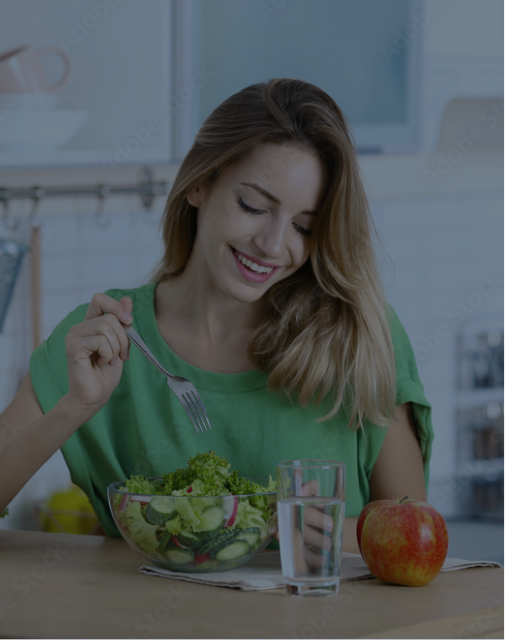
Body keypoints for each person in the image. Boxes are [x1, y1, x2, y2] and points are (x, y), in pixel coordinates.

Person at [0, 78, 432, 554]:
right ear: (200, 184)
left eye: (303, 226)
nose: (271, 245)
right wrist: (73, 408)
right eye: (252, 206)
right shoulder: (105, 340)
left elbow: (413, 534)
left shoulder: (360, 336)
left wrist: (294, 526)